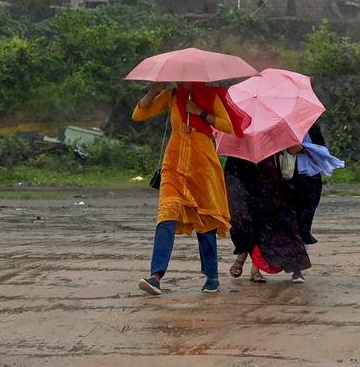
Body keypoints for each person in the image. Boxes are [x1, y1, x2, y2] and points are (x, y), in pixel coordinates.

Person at [133, 81, 247, 296]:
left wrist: (200, 113)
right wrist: (153, 91)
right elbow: (138, 115)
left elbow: (226, 125)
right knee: (166, 215)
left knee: (205, 221)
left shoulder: (211, 96)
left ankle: (212, 277)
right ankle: (155, 276)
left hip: (202, 169)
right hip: (173, 166)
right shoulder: (172, 95)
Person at [226, 146, 312, 284]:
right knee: (242, 221)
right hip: (239, 170)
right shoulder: (236, 128)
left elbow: (292, 146)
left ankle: (255, 267)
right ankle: (242, 255)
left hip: (267, 172)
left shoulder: (273, 126)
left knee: (267, 220)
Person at [290, 123, 343, 245]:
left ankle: (302, 249)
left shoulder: (312, 128)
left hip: (310, 179)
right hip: (288, 178)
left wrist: (303, 149)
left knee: (305, 218)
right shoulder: (280, 130)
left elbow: (322, 152)